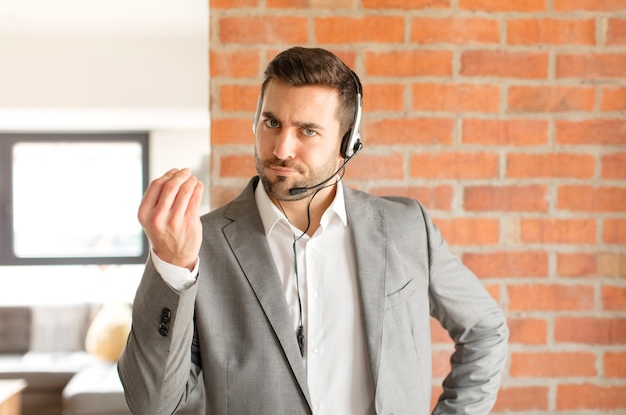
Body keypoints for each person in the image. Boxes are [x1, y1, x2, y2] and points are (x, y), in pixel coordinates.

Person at [118, 46, 508, 415]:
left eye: (307, 131)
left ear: (347, 143)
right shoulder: (200, 244)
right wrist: (173, 265)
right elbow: (152, 404)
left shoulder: (406, 227)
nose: (282, 148)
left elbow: (484, 330)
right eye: (272, 123)